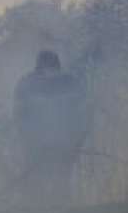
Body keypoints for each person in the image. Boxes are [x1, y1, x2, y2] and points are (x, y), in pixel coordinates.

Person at [13, 50, 90, 199]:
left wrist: (76, 139)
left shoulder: (69, 82)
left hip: (60, 142)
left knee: (59, 180)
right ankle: (44, 211)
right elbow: (18, 115)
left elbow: (81, 113)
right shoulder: (28, 83)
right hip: (39, 143)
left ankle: (57, 210)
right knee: (43, 180)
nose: (50, 72)